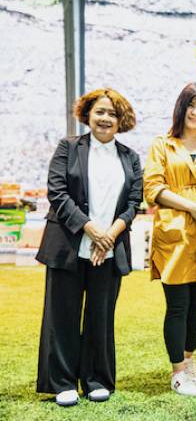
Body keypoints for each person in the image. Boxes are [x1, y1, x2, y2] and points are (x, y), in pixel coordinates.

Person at [36, 88, 143, 406]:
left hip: (109, 249)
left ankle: (96, 379)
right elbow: (57, 192)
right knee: (62, 316)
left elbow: (134, 201)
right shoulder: (68, 147)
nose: (105, 118)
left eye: (112, 113)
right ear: (87, 114)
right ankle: (62, 382)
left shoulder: (130, 157)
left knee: (101, 317)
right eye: (100, 111)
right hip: (68, 245)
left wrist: (109, 235)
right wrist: (91, 229)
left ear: (121, 120)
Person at [144, 82, 196, 397]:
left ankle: (189, 361)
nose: (195, 112)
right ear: (181, 107)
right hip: (174, 234)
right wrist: (192, 207)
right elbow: (153, 189)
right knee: (177, 305)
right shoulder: (163, 144)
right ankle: (177, 372)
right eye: (191, 105)